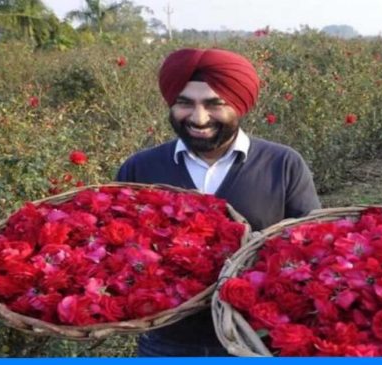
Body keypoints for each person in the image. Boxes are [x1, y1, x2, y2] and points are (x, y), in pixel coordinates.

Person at [116, 48, 321, 356]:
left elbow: (312, 246)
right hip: (168, 341)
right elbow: (116, 251)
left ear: (239, 105)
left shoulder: (282, 164)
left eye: (215, 104)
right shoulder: (140, 169)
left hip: (256, 339)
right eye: (185, 103)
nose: (199, 118)